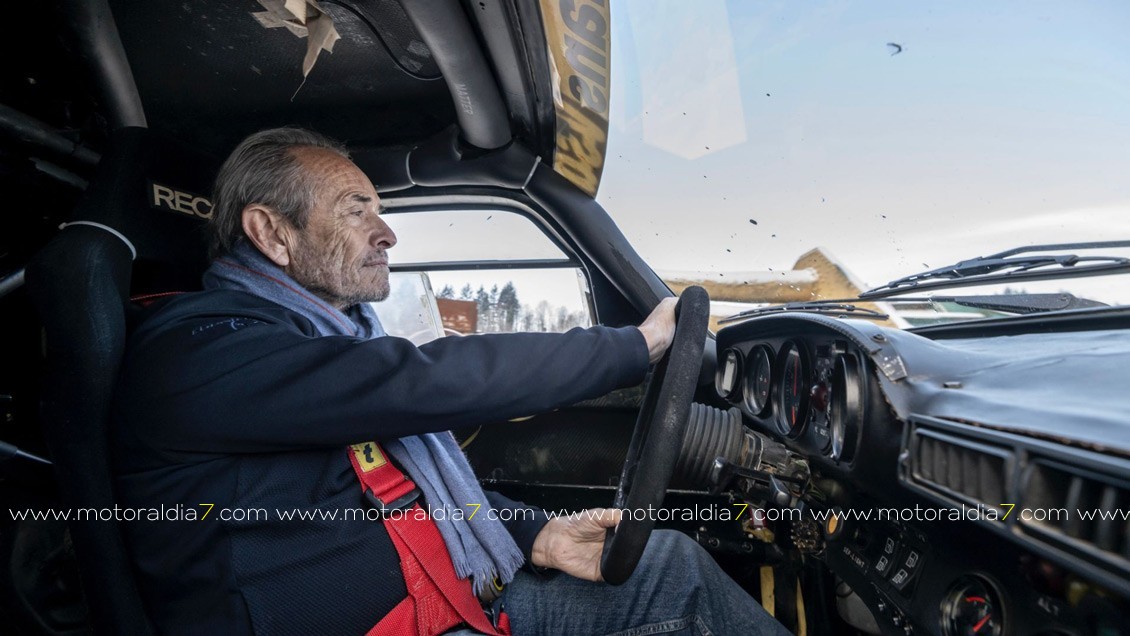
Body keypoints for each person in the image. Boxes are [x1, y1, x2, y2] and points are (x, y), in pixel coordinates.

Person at [112, 127, 787, 635]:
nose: (386, 235)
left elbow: (407, 493)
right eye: (355, 210)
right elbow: (422, 381)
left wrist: (536, 535)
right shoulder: (197, 351)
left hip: (448, 605)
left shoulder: (326, 339)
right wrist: (635, 346)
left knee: (666, 567)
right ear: (271, 232)